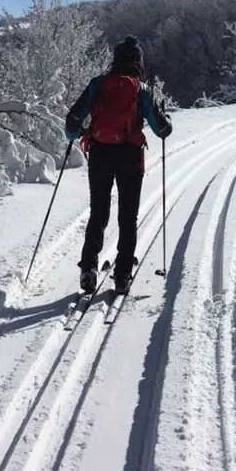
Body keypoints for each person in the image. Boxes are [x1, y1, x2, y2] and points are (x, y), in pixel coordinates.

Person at [64, 36, 172, 295]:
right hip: (130, 157)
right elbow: (162, 129)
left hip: (100, 153)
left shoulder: (98, 84)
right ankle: (122, 275)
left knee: (98, 213)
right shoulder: (142, 90)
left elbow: (71, 125)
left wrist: (75, 135)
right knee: (128, 216)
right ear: (138, 62)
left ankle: (88, 268)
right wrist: (166, 120)